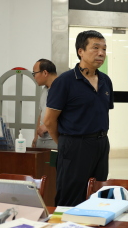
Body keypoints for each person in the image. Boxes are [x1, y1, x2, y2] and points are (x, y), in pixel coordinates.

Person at [44, 30, 114, 206]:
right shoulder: (65, 81)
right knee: (71, 197)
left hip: (101, 144)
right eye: (95, 48)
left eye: (104, 49)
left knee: (98, 195)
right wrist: (66, 143)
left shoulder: (105, 81)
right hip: (75, 145)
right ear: (80, 51)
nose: (101, 53)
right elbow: (49, 121)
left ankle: (94, 224)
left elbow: (101, 113)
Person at [31, 59, 58, 149]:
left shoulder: (63, 89)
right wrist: (36, 137)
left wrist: (47, 126)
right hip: (42, 141)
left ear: (45, 73)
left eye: (34, 73)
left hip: (55, 141)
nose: (34, 77)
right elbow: (41, 114)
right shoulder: (45, 90)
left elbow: (70, 115)